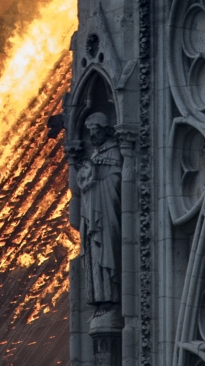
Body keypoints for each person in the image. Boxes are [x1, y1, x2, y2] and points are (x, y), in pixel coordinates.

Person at [77, 112, 122, 306]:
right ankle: (99, 297)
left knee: (108, 248)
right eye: (90, 132)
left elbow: (117, 181)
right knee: (93, 253)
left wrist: (96, 185)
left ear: (104, 130)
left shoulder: (114, 152)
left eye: (95, 130)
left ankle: (111, 296)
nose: (92, 135)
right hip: (93, 212)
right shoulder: (95, 154)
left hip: (105, 211)